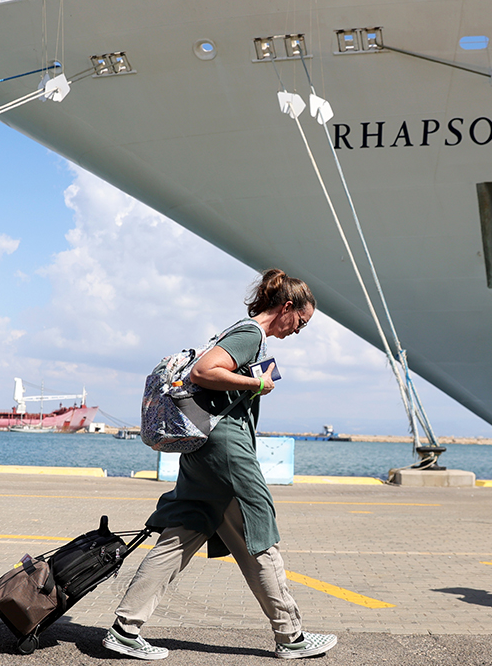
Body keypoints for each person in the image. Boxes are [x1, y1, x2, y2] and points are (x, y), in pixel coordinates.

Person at [104, 269, 336, 661]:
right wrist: (257, 384)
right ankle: (291, 637)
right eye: (301, 321)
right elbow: (204, 371)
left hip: (205, 446)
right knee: (259, 531)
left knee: (183, 531)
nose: (300, 329)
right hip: (227, 449)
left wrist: (246, 381)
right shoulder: (250, 334)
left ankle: (125, 630)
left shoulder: (243, 333)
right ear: (286, 307)